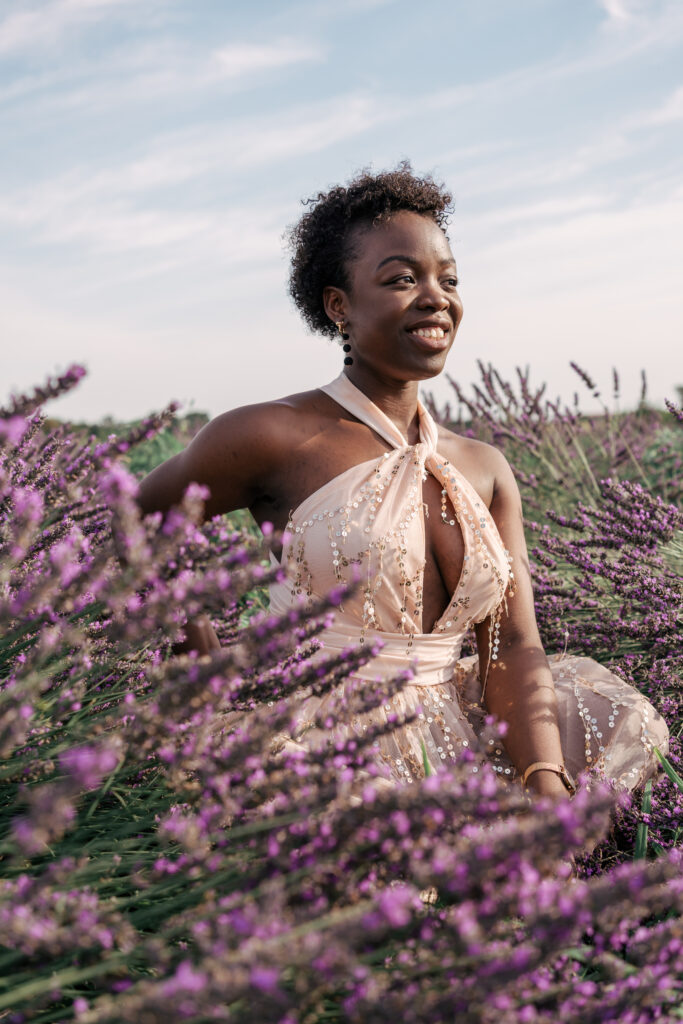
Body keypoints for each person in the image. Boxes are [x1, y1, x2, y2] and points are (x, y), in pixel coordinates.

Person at [138, 163, 668, 801]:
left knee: (622, 721)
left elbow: (513, 646)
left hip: (452, 727)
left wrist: (545, 784)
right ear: (339, 305)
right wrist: (197, 649)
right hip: (313, 740)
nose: (436, 297)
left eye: (449, 280)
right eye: (400, 279)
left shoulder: (485, 467)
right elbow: (133, 518)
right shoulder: (272, 435)